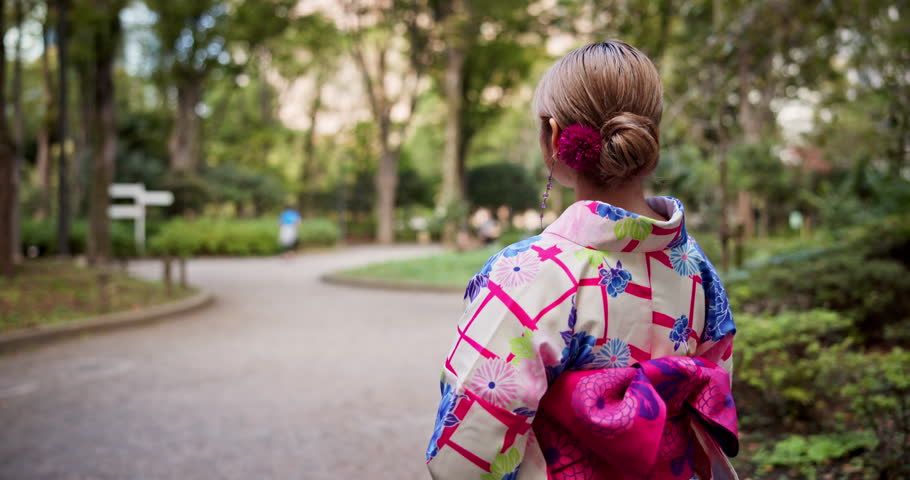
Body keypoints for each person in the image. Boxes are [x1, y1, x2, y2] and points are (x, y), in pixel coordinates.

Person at [426, 41, 738, 480]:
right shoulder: (697, 269)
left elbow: (466, 453)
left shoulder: (528, 274)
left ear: (554, 137)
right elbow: (714, 397)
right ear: (652, 137)